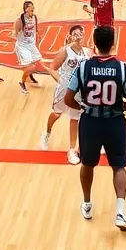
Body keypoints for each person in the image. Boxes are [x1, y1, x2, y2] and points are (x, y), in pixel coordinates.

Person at [63, 24, 126, 230]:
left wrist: (84, 106)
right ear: (113, 44)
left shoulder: (83, 67)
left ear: (94, 45)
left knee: (87, 164)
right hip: (115, 122)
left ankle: (87, 203)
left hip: (90, 123)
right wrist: (116, 105)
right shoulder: (123, 68)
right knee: (119, 165)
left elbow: (68, 98)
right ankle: (121, 211)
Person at [41, 24, 87, 165]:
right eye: (75, 34)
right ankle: (47, 132)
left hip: (79, 90)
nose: (78, 36)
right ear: (70, 37)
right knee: (57, 113)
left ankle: (72, 149)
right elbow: (52, 68)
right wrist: (62, 82)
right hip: (64, 88)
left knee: (75, 118)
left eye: (81, 33)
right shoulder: (65, 51)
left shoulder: (88, 52)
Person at [13, 0, 47, 95]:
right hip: (22, 46)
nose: (33, 8)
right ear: (26, 8)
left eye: (33, 6)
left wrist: (37, 39)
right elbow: (16, 34)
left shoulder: (34, 17)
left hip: (31, 44)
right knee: (31, 67)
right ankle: (22, 82)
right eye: (30, 6)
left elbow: (35, 30)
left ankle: (30, 76)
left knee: (37, 63)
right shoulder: (19, 20)